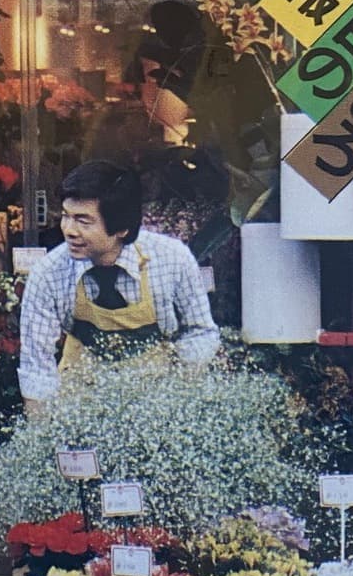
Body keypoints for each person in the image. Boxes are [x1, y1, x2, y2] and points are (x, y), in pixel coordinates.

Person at [17, 159, 220, 417]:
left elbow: (200, 332)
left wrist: (180, 395)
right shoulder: (48, 274)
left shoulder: (172, 259)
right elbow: (37, 368)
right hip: (79, 403)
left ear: (122, 228)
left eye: (83, 221)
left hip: (158, 402)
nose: (69, 230)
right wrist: (42, 433)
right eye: (66, 216)